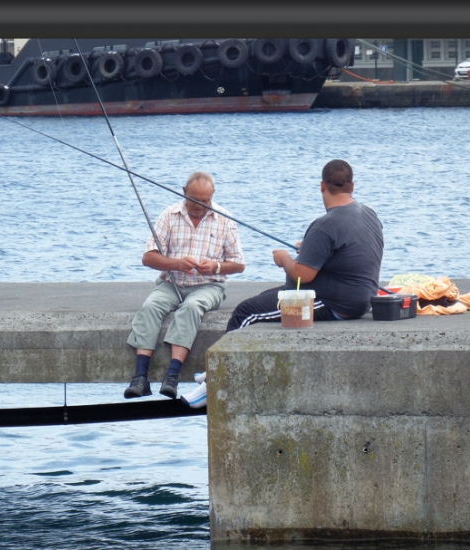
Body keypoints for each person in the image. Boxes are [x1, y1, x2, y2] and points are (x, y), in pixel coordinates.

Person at [181, 159, 383, 408]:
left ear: (322, 186)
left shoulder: (324, 225)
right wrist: (308, 249)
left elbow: (301, 275)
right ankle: (213, 370)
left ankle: (214, 382)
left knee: (246, 313)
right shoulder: (368, 213)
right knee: (264, 298)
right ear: (352, 186)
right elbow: (349, 252)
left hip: (333, 303)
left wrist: (284, 259)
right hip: (362, 298)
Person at [124, 171, 246, 400]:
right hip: (171, 283)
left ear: (212, 196)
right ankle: (140, 377)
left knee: (191, 307)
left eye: (205, 201)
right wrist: (176, 264)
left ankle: (172, 375)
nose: (200, 206)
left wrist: (216, 267)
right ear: (183, 192)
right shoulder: (169, 215)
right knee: (151, 306)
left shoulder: (225, 219)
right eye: (194, 200)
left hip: (208, 286)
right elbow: (148, 258)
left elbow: (239, 264)